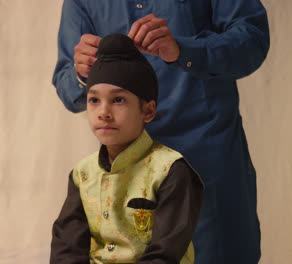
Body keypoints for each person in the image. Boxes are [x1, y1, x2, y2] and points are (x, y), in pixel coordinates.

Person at [52, 1, 269, 263]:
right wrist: (82, 73)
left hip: (206, 163)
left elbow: (252, 40)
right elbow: (67, 85)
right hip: (123, 180)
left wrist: (183, 50)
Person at [50, 33, 204, 264]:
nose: (103, 112)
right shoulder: (83, 175)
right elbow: (67, 248)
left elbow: (165, 254)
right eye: (94, 100)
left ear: (148, 111)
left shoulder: (171, 171)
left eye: (118, 100)